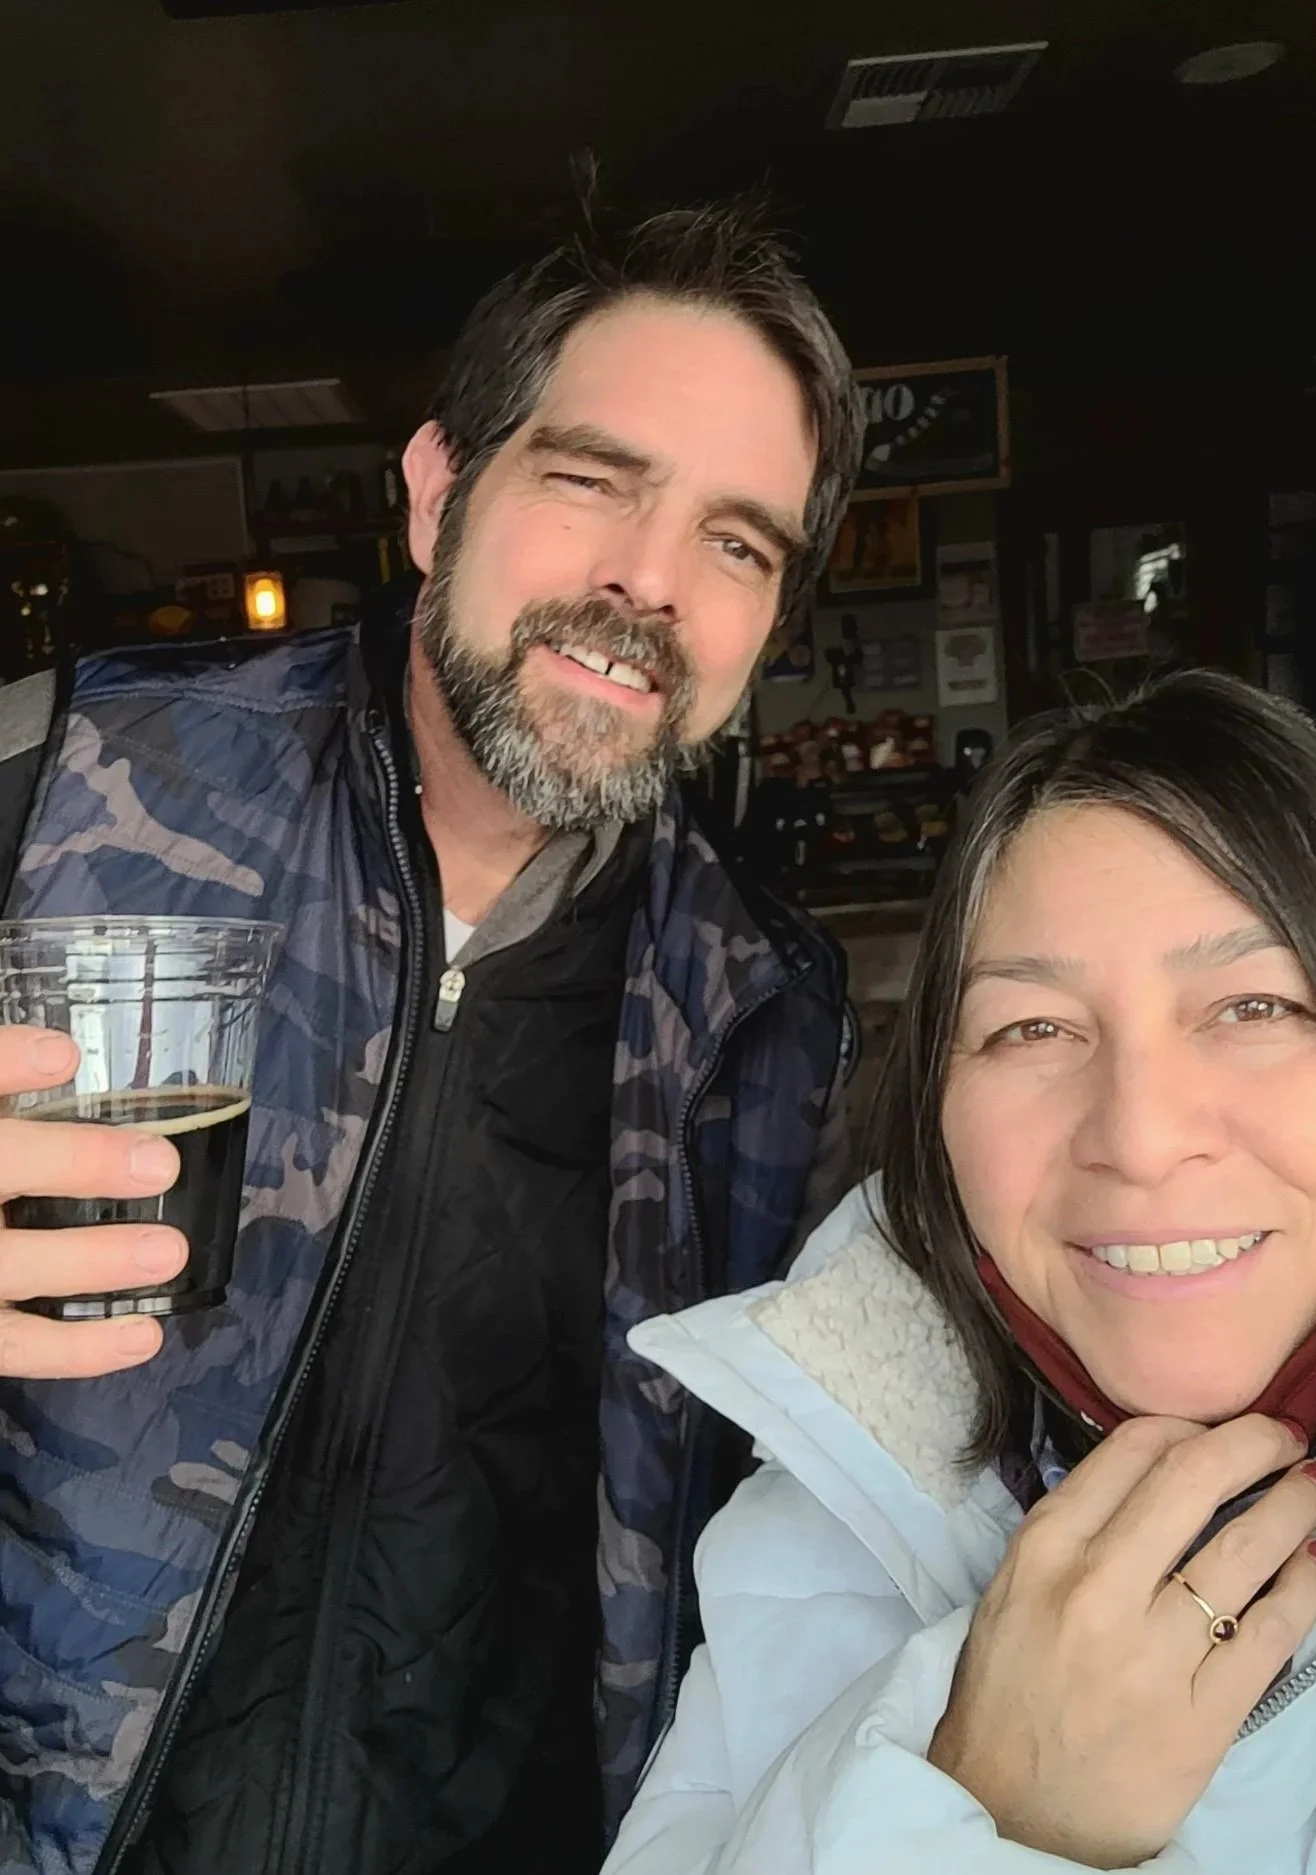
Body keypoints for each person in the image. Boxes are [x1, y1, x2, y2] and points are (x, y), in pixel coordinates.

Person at [0, 203, 863, 1875]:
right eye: (590, 478)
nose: (649, 580)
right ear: (433, 489)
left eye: (737, 544)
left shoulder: (767, 1017)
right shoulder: (60, 786)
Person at [605, 669, 1316, 1875]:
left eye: (1255, 1005)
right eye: (1032, 1028)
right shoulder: (832, 1501)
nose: (1137, 1138)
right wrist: (996, 1815)